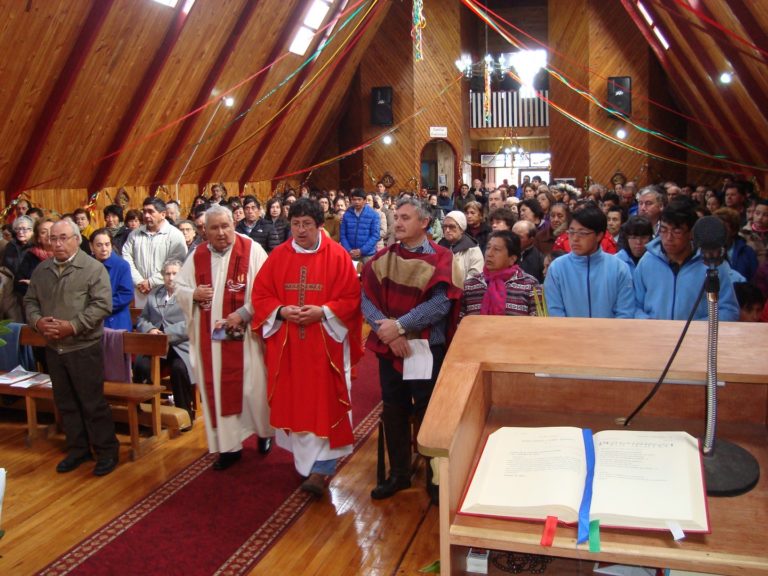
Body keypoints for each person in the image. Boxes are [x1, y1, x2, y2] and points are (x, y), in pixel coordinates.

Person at [252, 198, 363, 496]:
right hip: (289, 347)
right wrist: (281, 311)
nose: (300, 231)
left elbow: (352, 298)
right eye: (295, 224)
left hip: (325, 346)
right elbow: (261, 295)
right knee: (296, 402)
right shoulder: (277, 257)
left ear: (320, 226)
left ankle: (321, 469)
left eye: (306, 225)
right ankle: (305, 464)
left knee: (326, 403)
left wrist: (323, 312)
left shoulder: (338, 257)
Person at [361, 198, 462, 502]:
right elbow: (366, 299)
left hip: (426, 348)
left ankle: (435, 478)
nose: (398, 223)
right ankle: (399, 474)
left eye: (405, 217)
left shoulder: (442, 258)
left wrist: (400, 326)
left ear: (424, 223)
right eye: (396, 217)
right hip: (392, 347)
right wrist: (387, 332)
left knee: (429, 412)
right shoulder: (382, 258)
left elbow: (441, 303)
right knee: (394, 409)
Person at [175, 205, 272, 470]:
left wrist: (244, 313)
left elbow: (266, 291)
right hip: (212, 342)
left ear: (233, 225)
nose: (220, 233)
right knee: (218, 389)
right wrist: (193, 295)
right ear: (203, 231)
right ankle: (229, 447)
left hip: (246, 338)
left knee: (254, 389)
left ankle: (264, 433)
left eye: (225, 226)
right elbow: (179, 288)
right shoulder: (197, 255)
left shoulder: (252, 251)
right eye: (214, 228)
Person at [24, 219, 119, 476]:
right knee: (65, 402)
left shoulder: (92, 269)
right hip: (54, 348)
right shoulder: (42, 270)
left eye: (63, 238)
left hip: (83, 347)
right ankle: (78, 449)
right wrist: (37, 321)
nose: (58, 243)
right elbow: (30, 302)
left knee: (92, 403)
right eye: (53, 239)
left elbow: (101, 305)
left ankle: (107, 451)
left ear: (77, 239)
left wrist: (73, 326)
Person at [633, 201, 739, 321]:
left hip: (695, 336)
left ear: (691, 233)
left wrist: (694, 329)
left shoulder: (712, 264)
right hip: (655, 335)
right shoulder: (647, 261)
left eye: (676, 232)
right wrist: (647, 323)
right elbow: (635, 305)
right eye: (663, 230)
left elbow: (729, 310)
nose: (668, 238)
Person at [544, 204, 635, 318]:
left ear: (599, 235)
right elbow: (555, 311)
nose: (575, 239)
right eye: (571, 232)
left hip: (610, 334)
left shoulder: (619, 268)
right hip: (569, 334)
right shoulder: (557, 268)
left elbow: (625, 312)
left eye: (582, 233)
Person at [135, 259, 195, 426]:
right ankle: (145, 412)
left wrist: (165, 334)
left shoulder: (190, 294)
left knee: (178, 368)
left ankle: (185, 414)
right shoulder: (155, 293)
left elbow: (192, 322)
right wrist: (150, 330)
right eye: (167, 273)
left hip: (180, 345)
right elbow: (142, 318)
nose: (171, 277)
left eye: (175, 273)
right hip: (156, 345)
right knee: (141, 365)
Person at [122, 197, 187, 308]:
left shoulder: (175, 235)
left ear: (163, 214)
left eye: (151, 212)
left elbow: (177, 263)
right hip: (140, 290)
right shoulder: (134, 234)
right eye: (144, 211)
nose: (146, 215)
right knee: (142, 322)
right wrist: (139, 281)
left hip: (166, 289)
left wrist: (151, 282)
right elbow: (126, 257)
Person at [460, 230, 540, 318]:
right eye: (488, 248)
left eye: (496, 250)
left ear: (512, 259)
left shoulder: (529, 285)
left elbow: (536, 324)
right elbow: (461, 324)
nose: (489, 254)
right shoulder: (471, 285)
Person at [90, 228, 133, 331]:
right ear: (91, 246)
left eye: (107, 244)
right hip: (92, 319)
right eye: (99, 245)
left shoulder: (122, 265)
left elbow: (126, 294)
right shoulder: (88, 266)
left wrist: (100, 307)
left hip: (116, 320)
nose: (104, 249)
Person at [437, 211, 483, 283]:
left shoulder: (473, 250)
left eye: (452, 227)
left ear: (461, 229)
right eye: (445, 227)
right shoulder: (438, 247)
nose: (447, 230)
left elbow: (475, 278)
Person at [340, 188, 380, 263]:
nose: (356, 202)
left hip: (367, 255)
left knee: (368, 274)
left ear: (365, 201)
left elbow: (375, 235)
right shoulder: (347, 214)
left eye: (359, 199)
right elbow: (343, 235)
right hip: (350, 254)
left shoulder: (373, 214)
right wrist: (349, 250)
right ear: (351, 200)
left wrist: (361, 251)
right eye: (354, 199)